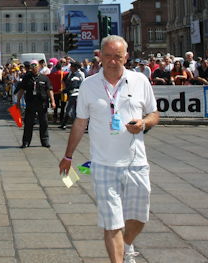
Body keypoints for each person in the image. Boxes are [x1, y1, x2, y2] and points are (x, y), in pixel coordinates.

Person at [59, 35, 159, 263]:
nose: (113, 61)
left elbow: (154, 114)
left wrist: (145, 123)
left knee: (140, 217)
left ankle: (127, 245)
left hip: (136, 162)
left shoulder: (140, 81)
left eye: (118, 56)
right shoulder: (89, 84)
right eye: (108, 56)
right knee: (111, 222)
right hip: (103, 163)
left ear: (126, 57)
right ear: (100, 57)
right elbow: (79, 122)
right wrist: (68, 156)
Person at [17, 60, 56, 148]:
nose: (34, 68)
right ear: (30, 68)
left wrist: (53, 101)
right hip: (31, 103)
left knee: (44, 122)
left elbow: (49, 90)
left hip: (42, 103)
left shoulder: (44, 78)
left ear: (39, 67)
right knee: (28, 123)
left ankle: (45, 141)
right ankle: (26, 142)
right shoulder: (27, 77)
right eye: (32, 66)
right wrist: (18, 101)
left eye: (36, 66)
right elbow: (22, 90)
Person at [60, 61, 84, 129]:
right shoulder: (72, 74)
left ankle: (74, 124)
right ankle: (65, 124)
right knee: (70, 109)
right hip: (71, 94)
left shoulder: (76, 75)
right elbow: (64, 80)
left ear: (74, 68)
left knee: (73, 110)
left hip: (75, 94)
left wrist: (64, 90)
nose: (70, 68)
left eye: (71, 66)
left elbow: (73, 86)